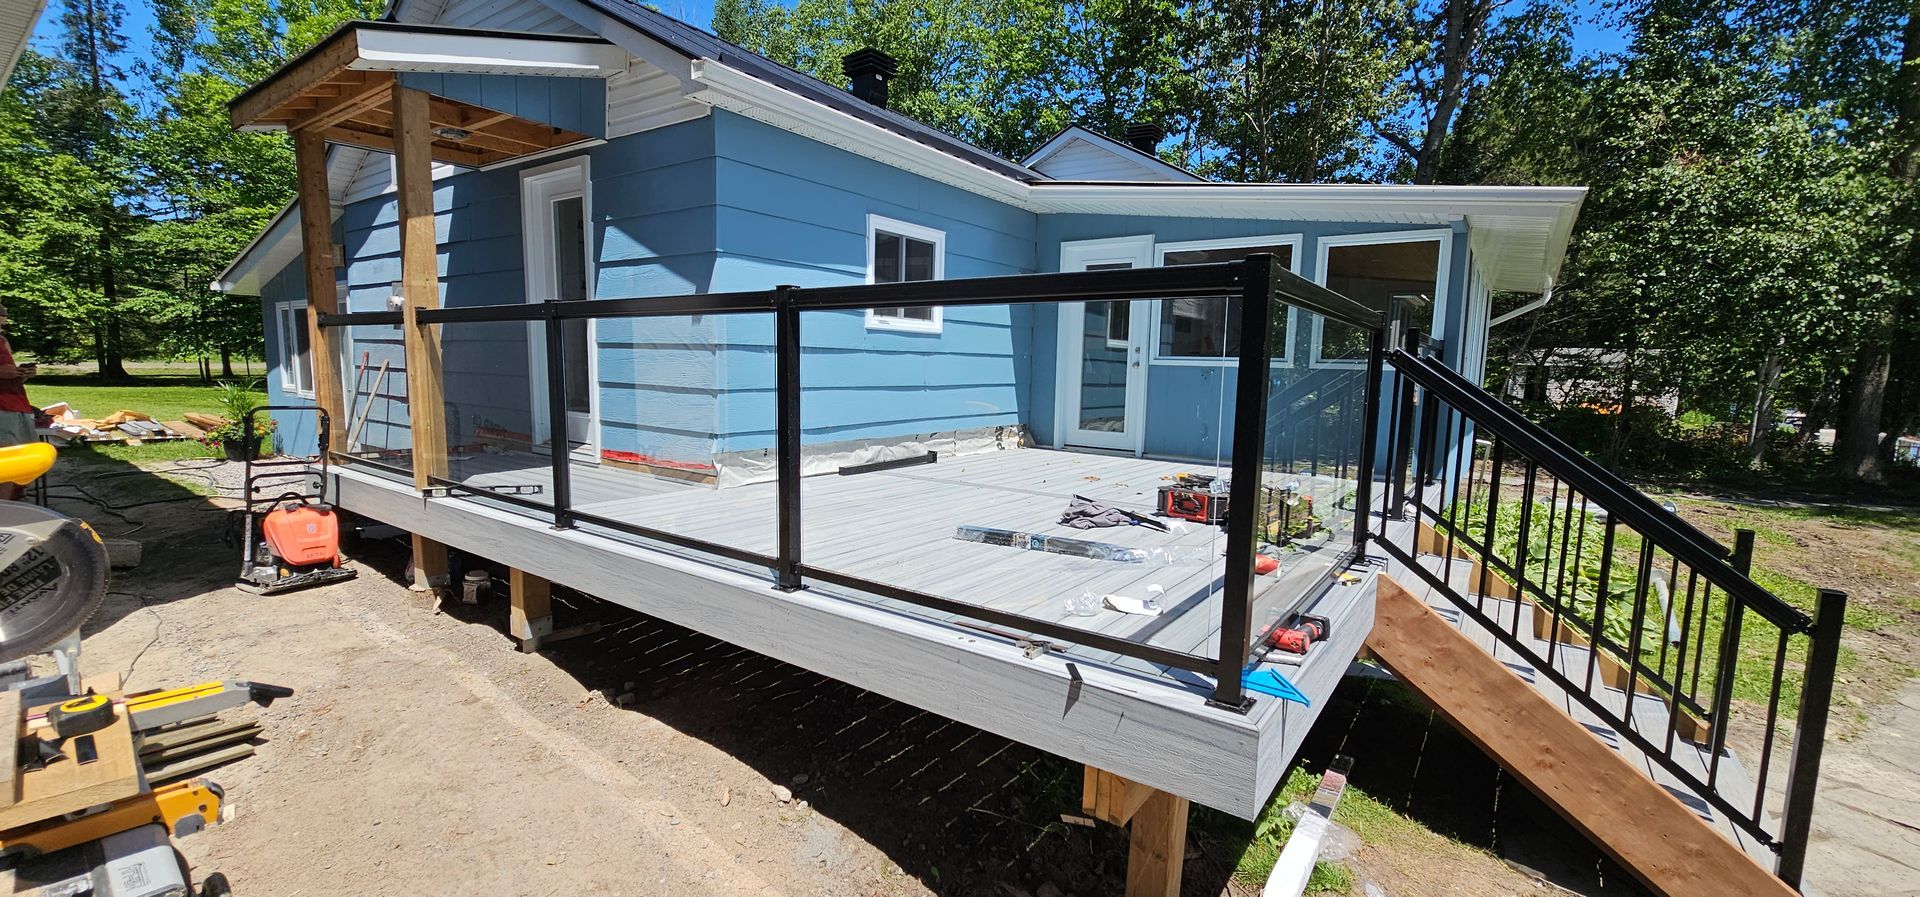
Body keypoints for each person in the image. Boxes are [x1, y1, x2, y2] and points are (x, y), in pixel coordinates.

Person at [0, 304, 38, 500]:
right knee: (5, 464)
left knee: (20, 462)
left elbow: (9, 374)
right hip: (2, 410)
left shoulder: (3, 341)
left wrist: (21, 374)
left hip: (17, 406)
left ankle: (14, 503)